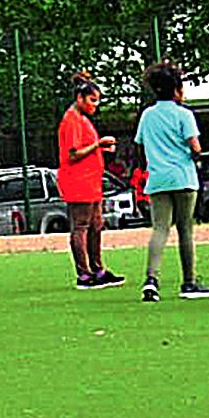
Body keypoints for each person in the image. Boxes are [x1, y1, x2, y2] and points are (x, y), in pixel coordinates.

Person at [132, 63, 209, 301]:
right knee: (185, 229)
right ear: (177, 89)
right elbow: (196, 148)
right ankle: (189, 283)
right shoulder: (184, 114)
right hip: (184, 177)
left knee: (159, 228)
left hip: (157, 178)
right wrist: (194, 156)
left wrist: (150, 164)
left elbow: (140, 146)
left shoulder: (147, 115)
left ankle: (151, 279)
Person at [57, 75, 124, 289]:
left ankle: (98, 270)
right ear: (80, 98)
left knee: (96, 225)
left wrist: (100, 147)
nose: (96, 105)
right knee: (81, 226)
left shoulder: (82, 119)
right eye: (92, 100)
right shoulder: (72, 120)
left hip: (91, 181)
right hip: (78, 181)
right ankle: (84, 274)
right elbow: (73, 153)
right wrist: (97, 145)